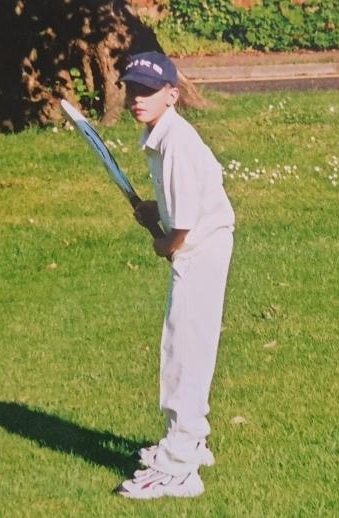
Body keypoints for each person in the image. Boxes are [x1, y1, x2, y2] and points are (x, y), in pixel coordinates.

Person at [115, 51, 236, 500]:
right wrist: (155, 213)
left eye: (147, 91)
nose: (136, 99)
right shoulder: (162, 134)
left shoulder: (176, 144)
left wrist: (163, 241)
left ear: (172, 94)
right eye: (131, 89)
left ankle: (180, 467)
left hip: (200, 249)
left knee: (183, 351)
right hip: (204, 243)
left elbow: (181, 228)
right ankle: (192, 440)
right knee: (187, 346)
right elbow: (179, 206)